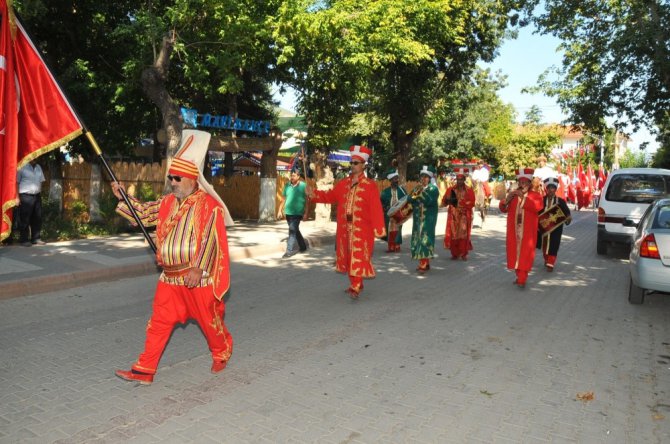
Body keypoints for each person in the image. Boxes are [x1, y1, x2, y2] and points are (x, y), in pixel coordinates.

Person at [113, 132, 234, 385]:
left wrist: (199, 268)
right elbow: (144, 214)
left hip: (196, 279)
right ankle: (145, 369)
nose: (173, 182)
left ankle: (221, 351)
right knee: (158, 322)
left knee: (210, 324)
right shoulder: (167, 202)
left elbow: (211, 240)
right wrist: (122, 196)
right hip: (169, 278)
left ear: (192, 179)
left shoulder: (209, 205)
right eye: (171, 178)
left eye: (177, 178)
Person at [307, 145, 385, 299]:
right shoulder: (344, 183)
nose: (353, 165)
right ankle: (356, 282)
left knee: (359, 255)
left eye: (356, 163)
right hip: (345, 227)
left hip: (363, 228)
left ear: (363, 165)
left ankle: (356, 285)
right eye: (352, 163)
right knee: (348, 256)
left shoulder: (370, 186)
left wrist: (379, 228)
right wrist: (313, 193)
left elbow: (376, 208)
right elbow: (330, 196)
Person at [499, 168, 543, 288]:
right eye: (521, 182)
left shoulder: (536, 195)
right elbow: (503, 209)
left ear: (529, 184)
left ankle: (522, 279)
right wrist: (506, 200)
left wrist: (523, 198)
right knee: (515, 253)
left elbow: (537, 207)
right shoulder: (513, 194)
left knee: (525, 254)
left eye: (525, 182)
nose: (522, 184)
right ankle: (519, 275)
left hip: (527, 232)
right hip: (514, 230)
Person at [408, 166, 439, 274]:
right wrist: (413, 197)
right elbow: (409, 198)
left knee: (425, 239)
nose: (423, 179)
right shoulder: (417, 188)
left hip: (428, 220)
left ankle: (423, 264)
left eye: (426, 177)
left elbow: (427, 201)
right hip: (418, 219)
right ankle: (426, 262)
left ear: (430, 178)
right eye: (422, 177)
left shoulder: (433, 189)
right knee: (417, 239)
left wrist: (417, 196)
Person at [537, 176, 572, 272]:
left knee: (554, 244)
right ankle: (547, 259)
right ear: (546, 189)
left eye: (552, 188)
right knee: (544, 245)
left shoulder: (560, 201)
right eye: (548, 188)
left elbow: (567, 213)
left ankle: (550, 263)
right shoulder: (541, 200)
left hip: (556, 228)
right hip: (544, 228)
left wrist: (568, 218)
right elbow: (537, 212)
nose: (550, 190)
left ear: (555, 189)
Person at [442, 168, 475, 260]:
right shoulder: (451, 189)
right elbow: (444, 201)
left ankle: (463, 253)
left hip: (464, 215)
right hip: (453, 215)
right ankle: (454, 253)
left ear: (464, 180)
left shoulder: (469, 190)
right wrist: (447, 200)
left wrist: (463, 205)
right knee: (454, 233)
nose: (459, 181)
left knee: (463, 233)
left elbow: (472, 202)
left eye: (461, 179)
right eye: (458, 179)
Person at [277, 169, 308, 258]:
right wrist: (279, 210)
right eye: (291, 175)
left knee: (292, 230)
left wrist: (306, 212)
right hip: (288, 212)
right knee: (295, 230)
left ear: (298, 177)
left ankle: (289, 251)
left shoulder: (303, 186)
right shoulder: (287, 185)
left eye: (294, 176)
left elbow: (307, 201)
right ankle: (303, 246)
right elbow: (283, 199)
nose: (292, 177)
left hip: (298, 212)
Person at [16, 159, 46, 246]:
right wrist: (17, 197)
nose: (35, 158)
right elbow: (16, 182)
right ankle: (24, 240)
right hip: (25, 196)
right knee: (25, 218)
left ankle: (36, 238)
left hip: (37, 195)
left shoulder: (38, 167)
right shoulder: (22, 166)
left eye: (37, 157)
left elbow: (41, 181)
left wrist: (40, 192)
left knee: (37, 217)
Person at [380, 169, 407, 253]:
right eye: (395, 179)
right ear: (391, 180)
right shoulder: (385, 192)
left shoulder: (402, 190)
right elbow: (381, 202)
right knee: (390, 230)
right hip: (389, 214)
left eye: (397, 178)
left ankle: (397, 246)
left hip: (399, 214)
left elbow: (406, 200)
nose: (397, 180)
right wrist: (385, 208)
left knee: (398, 230)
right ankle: (391, 247)